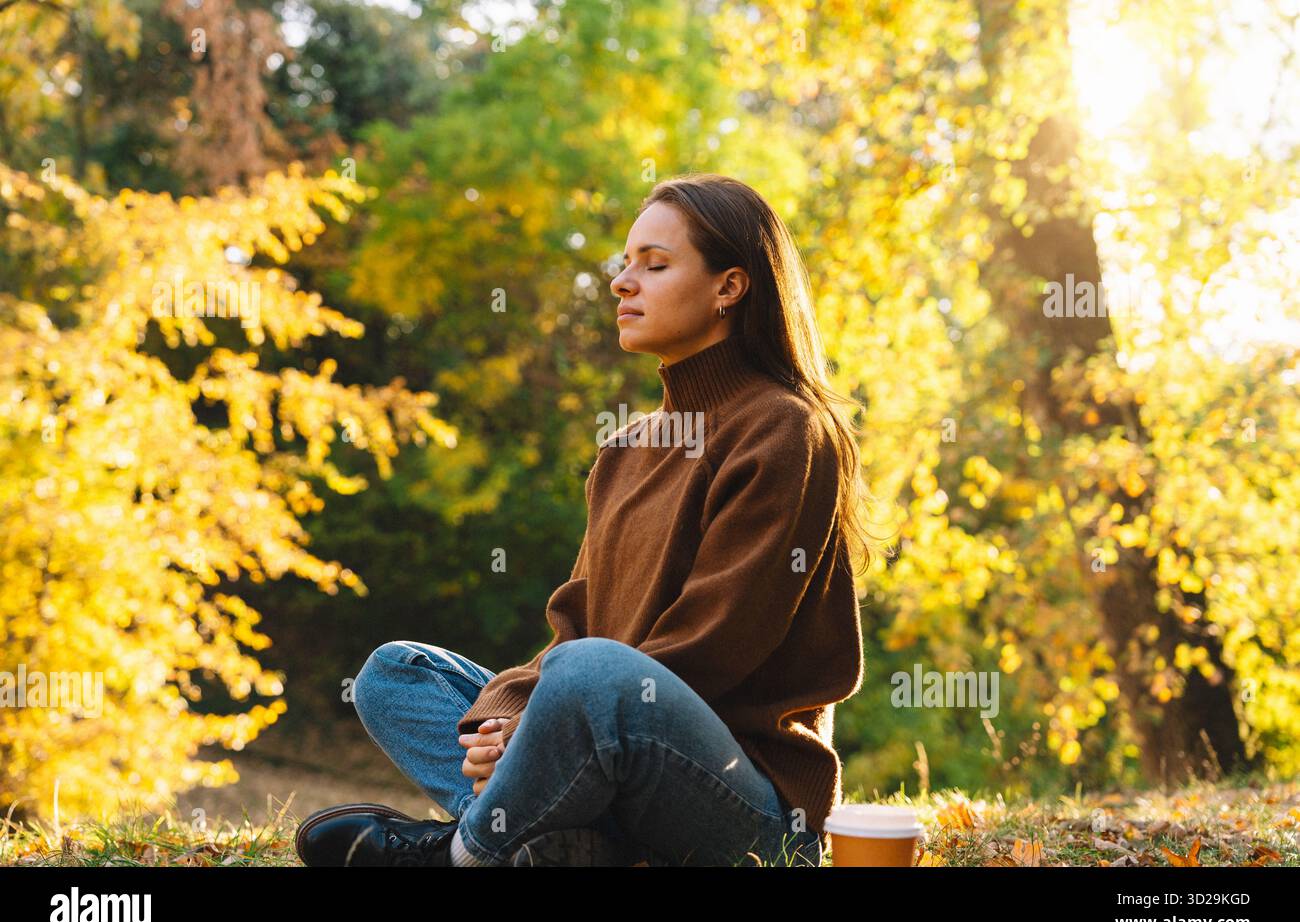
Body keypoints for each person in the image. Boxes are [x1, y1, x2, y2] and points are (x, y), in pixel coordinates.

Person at [295, 173, 891, 867]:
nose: (622, 281)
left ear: (729, 287)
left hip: (748, 806)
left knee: (591, 676)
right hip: (610, 742)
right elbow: (575, 627)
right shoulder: (625, 449)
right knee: (394, 673)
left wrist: (545, 723)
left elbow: (718, 644)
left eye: (655, 264)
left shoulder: (787, 430)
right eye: (626, 260)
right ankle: (564, 840)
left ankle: (458, 855)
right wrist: (515, 714)